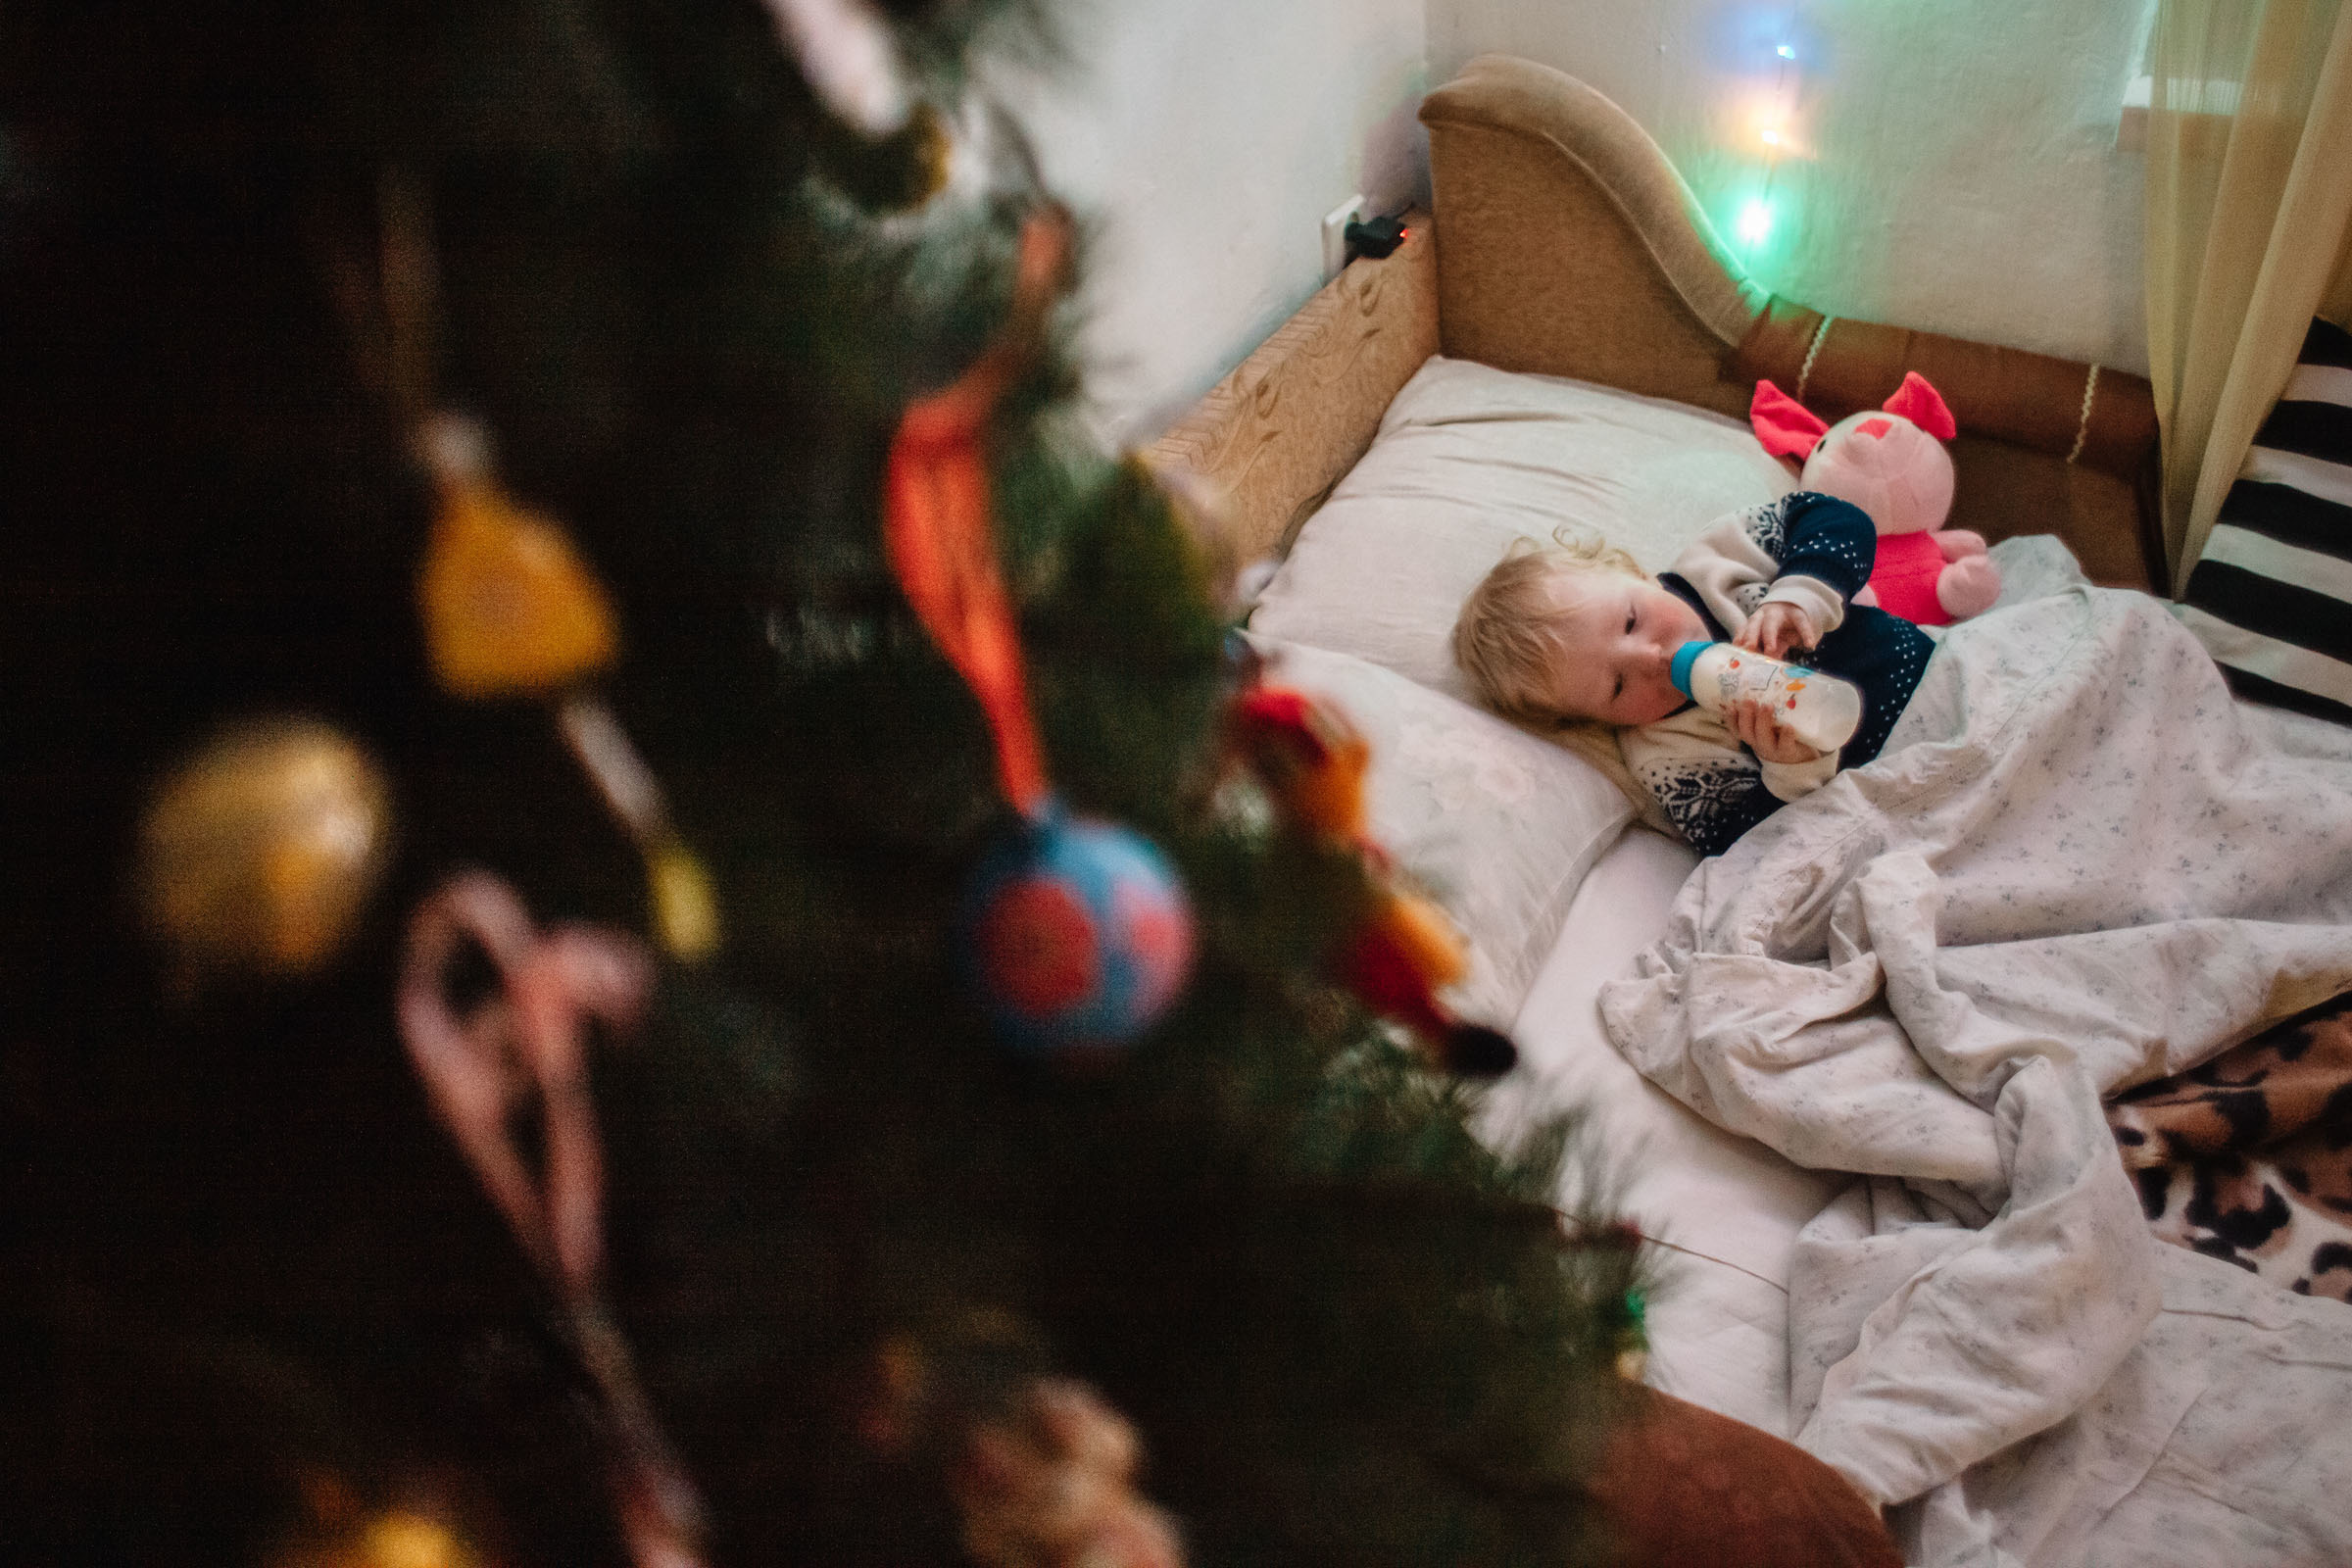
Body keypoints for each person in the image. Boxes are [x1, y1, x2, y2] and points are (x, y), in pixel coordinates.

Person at [1450, 491, 1937, 855]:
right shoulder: (1665, 752)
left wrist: (1800, 590)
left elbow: (1836, 516)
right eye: (1617, 687)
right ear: (1593, 721)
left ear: (1633, 572)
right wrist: (1789, 772)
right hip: (1899, 786)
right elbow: (1735, 843)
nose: (1650, 659)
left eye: (1630, 621)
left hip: (1939, 677)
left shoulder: (1719, 565)